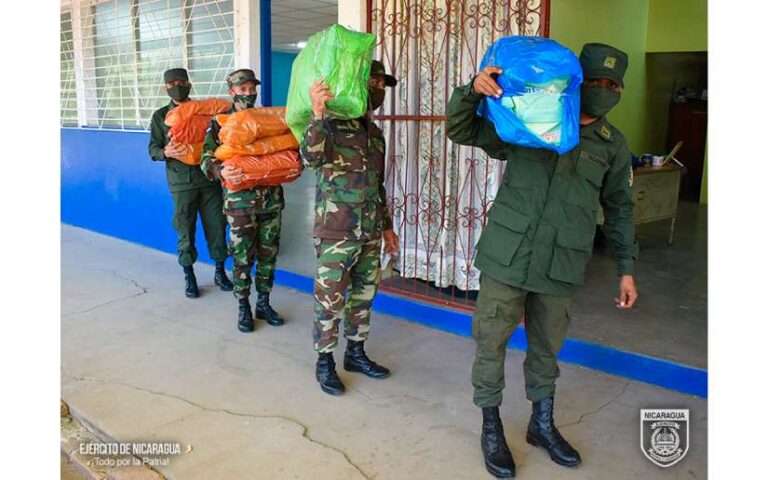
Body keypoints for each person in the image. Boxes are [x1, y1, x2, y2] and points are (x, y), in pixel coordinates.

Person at [446, 43, 639, 478]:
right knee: (491, 340)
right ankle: (491, 426)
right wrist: (473, 92)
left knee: (547, 348)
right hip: (509, 254)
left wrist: (626, 267)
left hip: (561, 262)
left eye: (612, 85)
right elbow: (462, 130)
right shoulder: (530, 117)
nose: (603, 91)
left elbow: (622, 207)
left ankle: (542, 423)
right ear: (574, 81)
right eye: (594, 82)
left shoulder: (612, 145)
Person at [300, 60, 399, 396]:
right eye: (374, 82)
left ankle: (355, 353)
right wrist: (317, 113)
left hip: (369, 231)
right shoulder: (331, 125)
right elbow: (310, 159)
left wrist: (386, 226)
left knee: (364, 295)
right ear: (359, 84)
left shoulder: (375, 135)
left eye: (383, 84)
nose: (379, 89)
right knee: (329, 299)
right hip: (337, 231)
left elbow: (378, 185)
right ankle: (324, 361)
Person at [200, 69, 286, 332]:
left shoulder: (268, 120)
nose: (248, 93)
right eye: (242, 89)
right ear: (232, 91)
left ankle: (264, 302)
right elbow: (205, 158)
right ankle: (243, 307)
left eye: (251, 89)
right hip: (240, 204)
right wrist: (219, 170)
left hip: (270, 201)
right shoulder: (220, 123)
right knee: (241, 258)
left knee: (268, 255)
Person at [148, 68, 233, 298]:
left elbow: (220, 137)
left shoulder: (204, 112)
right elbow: (152, 149)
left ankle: (219, 272)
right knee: (185, 229)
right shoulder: (160, 116)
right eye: (172, 83)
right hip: (181, 182)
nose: (177, 86)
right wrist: (165, 151)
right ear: (166, 88)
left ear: (189, 84)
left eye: (182, 82)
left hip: (209, 179)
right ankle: (189, 275)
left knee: (217, 225)